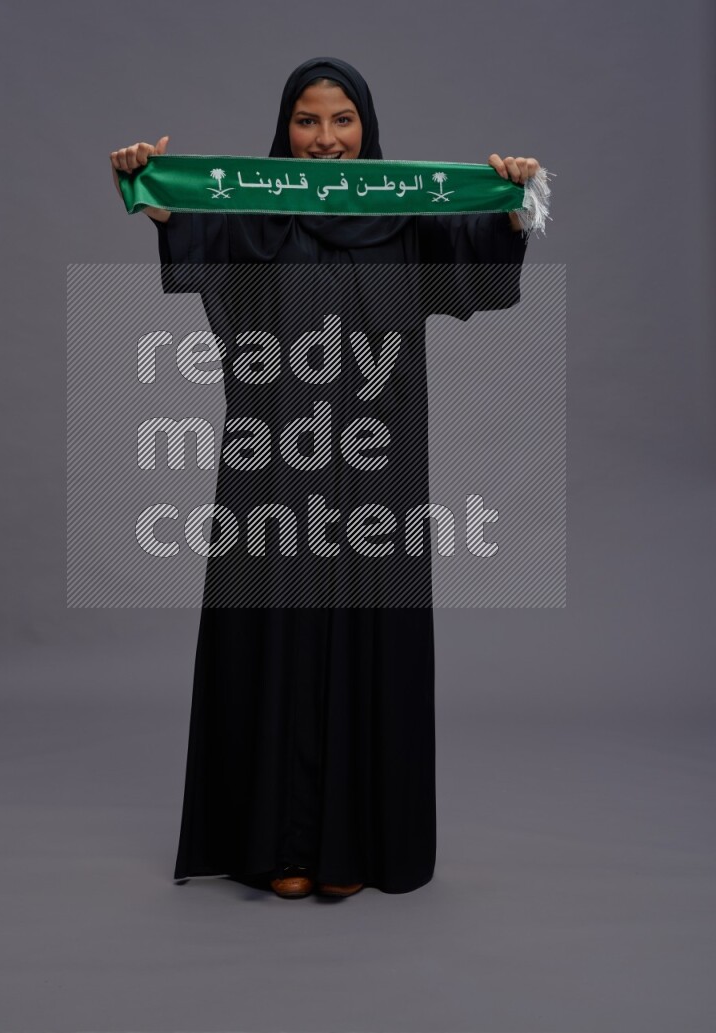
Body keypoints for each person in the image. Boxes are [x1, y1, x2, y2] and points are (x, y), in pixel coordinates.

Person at [110, 56, 542, 899]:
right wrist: (147, 185)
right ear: (286, 129)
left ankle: (358, 846)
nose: (326, 140)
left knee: (365, 625)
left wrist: (513, 207)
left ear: (366, 129)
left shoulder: (409, 216)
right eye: (308, 121)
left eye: (342, 121)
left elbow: (482, 278)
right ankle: (281, 845)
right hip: (275, 465)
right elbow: (188, 226)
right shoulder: (254, 209)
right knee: (277, 625)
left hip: (379, 473)